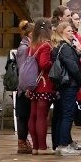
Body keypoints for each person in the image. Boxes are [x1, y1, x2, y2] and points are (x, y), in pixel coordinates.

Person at [51, 22, 81, 156]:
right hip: (68, 83)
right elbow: (73, 67)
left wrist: (78, 49)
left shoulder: (64, 46)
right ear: (61, 32)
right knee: (68, 114)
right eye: (69, 31)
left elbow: (79, 58)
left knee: (64, 113)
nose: (72, 33)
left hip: (65, 84)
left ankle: (64, 142)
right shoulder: (64, 47)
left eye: (72, 31)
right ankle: (63, 144)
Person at [26, 20, 56, 154]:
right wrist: (54, 63)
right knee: (42, 116)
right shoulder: (46, 45)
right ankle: (42, 147)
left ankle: (35, 147)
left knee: (33, 115)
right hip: (44, 84)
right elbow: (44, 64)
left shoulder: (32, 45)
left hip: (33, 83)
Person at [14, 20, 34, 154]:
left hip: (25, 86)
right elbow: (23, 69)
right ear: (31, 33)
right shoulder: (24, 48)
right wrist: (26, 87)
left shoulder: (28, 46)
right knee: (23, 115)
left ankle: (25, 141)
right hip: (24, 87)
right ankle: (22, 142)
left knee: (26, 114)